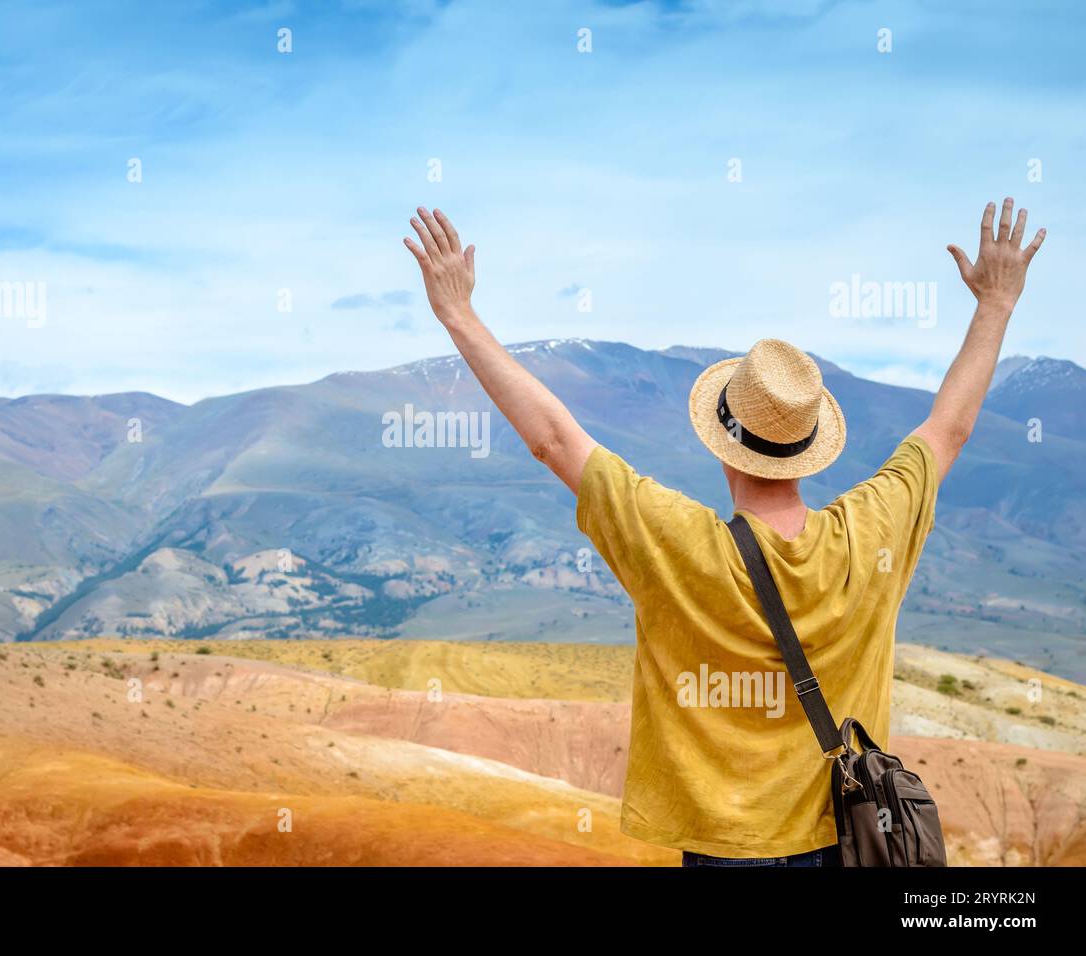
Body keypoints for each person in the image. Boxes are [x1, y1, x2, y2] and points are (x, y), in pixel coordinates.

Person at [402, 199, 1046, 865]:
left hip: (723, 852)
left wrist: (458, 313)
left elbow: (554, 440)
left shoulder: (673, 541)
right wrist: (995, 303)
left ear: (721, 445)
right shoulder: (873, 529)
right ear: (811, 445)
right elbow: (950, 429)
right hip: (843, 840)